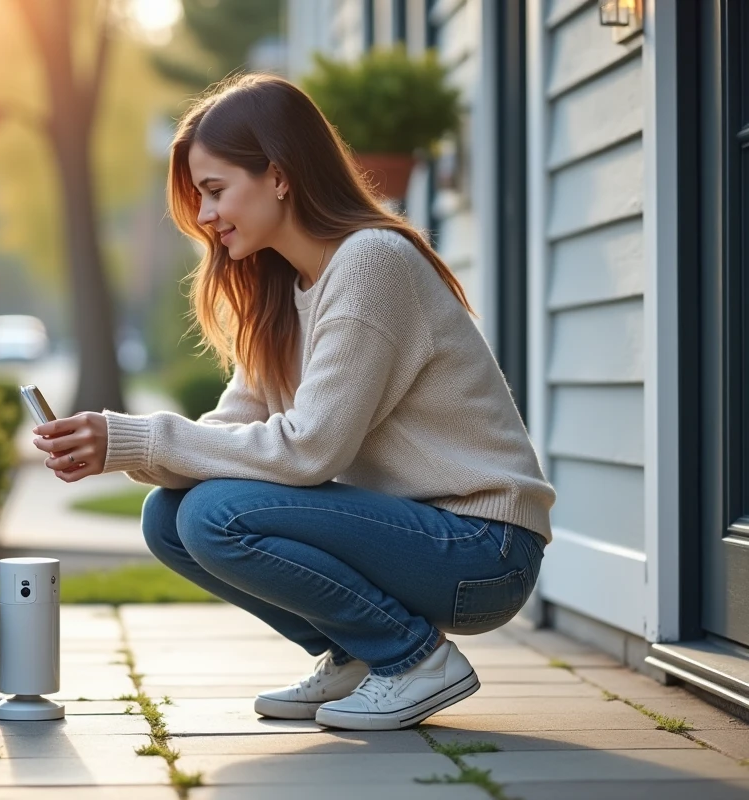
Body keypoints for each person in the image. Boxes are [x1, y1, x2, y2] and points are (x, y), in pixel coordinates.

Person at [30, 73, 555, 732]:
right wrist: (123, 450)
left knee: (215, 515)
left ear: (278, 176)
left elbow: (310, 450)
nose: (204, 216)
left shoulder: (370, 263)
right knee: (168, 516)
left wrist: (137, 436)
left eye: (215, 190)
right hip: (416, 536)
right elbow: (231, 432)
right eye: (199, 197)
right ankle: (358, 653)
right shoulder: (283, 287)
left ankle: (413, 658)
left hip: (484, 548)